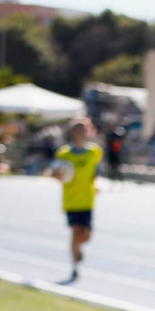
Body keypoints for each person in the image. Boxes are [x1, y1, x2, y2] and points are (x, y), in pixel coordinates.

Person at [50, 118, 103, 283]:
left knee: (86, 235)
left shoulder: (94, 152)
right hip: (71, 200)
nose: (82, 133)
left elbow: (96, 173)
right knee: (75, 231)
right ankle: (74, 267)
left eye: (84, 129)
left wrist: (96, 184)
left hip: (87, 199)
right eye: (79, 130)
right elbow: (56, 173)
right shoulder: (64, 153)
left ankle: (78, 247)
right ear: (73, 132)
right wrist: (57, 175)